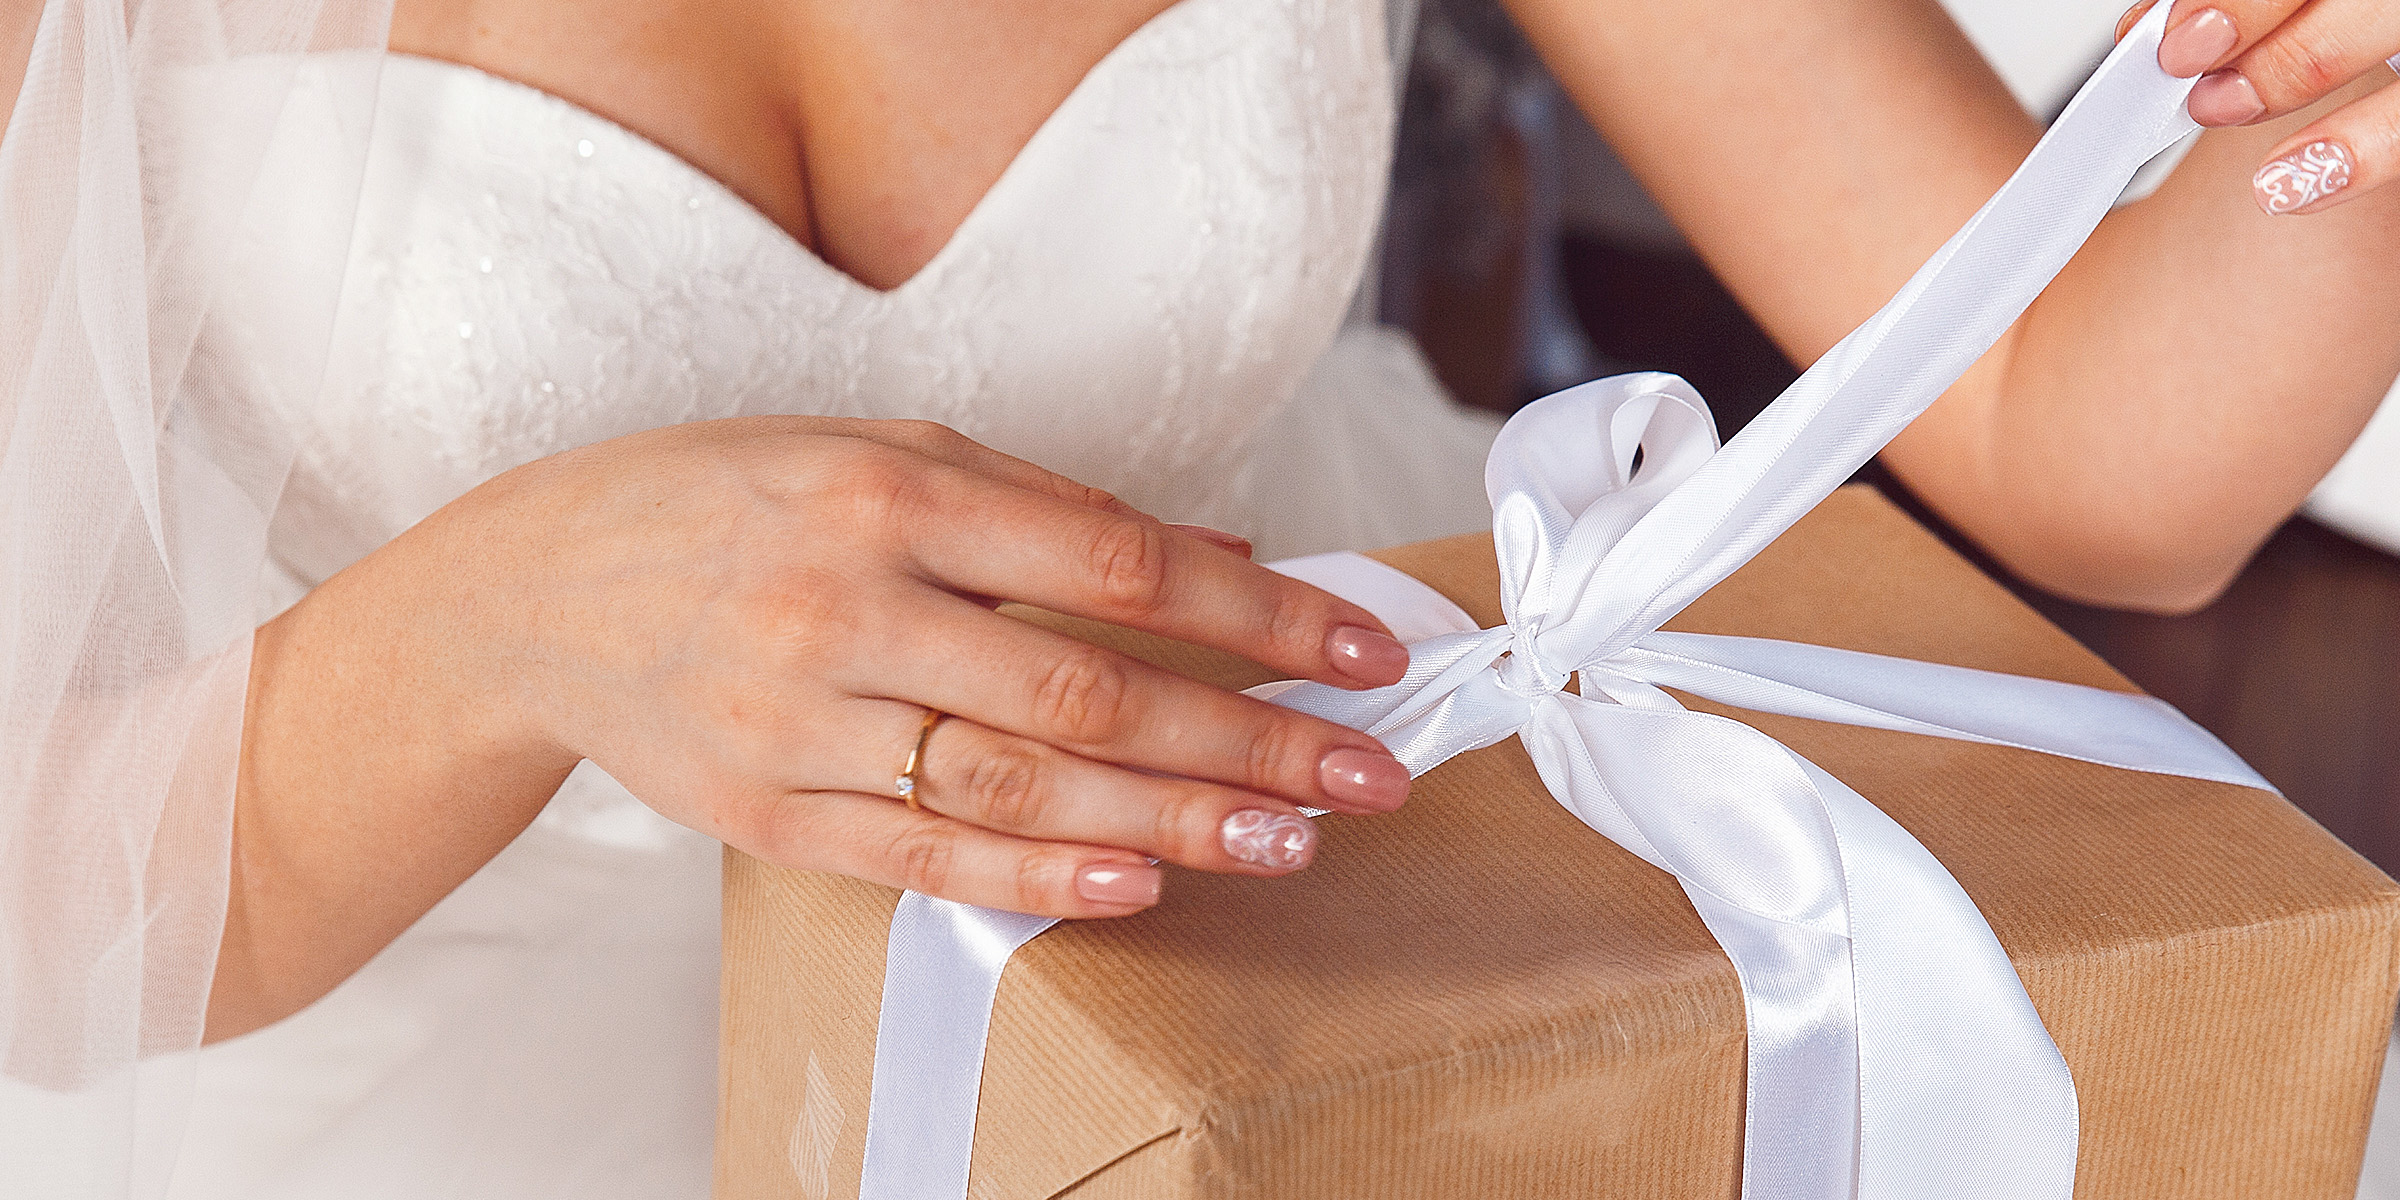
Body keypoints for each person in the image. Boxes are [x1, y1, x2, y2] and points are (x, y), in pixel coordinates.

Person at [4, 0, 2398, 1196]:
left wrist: (2364, 112)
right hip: (382, 1053)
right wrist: (504, 625)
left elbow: (2093, 453)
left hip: (1265, 1005)